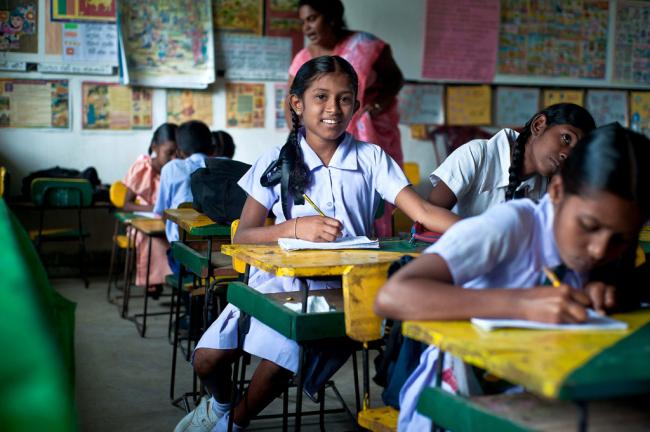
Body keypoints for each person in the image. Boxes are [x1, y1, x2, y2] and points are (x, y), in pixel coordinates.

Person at [174, 55, 459, 432]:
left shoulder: (371, 158)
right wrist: (294, 228)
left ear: (356, 106)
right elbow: (244, 235)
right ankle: (221, 405)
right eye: (321, 97)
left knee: (281, 359)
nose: (333, 109)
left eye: (344, 99)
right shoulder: (275, 161)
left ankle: (234, 424)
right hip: (278, 282)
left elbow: (422, 211)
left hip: (342, 289)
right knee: (207, 359)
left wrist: (485, 230)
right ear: (298, 103)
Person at [374, 123, 650, 431]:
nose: (599, 249)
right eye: (588, 226)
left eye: (620, 239)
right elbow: (393, 296)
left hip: (540, 394)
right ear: (557, 191)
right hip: (455, 404)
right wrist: (521, 304)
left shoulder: (602, 252)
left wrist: (604, 293)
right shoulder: (512, 226)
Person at [289, 0, 404, 236]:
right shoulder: (303, 59)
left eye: (312, 19)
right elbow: (291, 101)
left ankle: (377, 245)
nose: (306, 28)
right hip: (321, 144)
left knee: (376, 198)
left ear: (331, 16)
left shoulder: (365, 45)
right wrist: (299, 141)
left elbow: (394, 79)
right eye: (302, 22)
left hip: (370, 134)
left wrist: (376, 106)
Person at [428, 103, 596, 217]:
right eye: (566, 138)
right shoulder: (477, 154)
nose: (567, 155)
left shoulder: (548, 187)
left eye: (576, 151)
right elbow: (427, 215)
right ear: (539, 125)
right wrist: (481, 235)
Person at [122, 123, 177, 297]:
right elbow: (126, 205)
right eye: (169, 153)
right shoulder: (143, 168)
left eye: (177, 154)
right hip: (142, 223)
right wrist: (154, 208)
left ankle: (173, 279)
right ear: (155, 147)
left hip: (166, 222)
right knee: (151, 238)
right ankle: (153, 280)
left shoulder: (176, 170)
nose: (173, 158)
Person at [153, 120, 213, 273]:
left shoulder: (171, 168)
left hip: (182, 254)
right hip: (216, 253)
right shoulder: (223, 166)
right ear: (211, 146)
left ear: (179, 150)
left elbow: (163, 211)